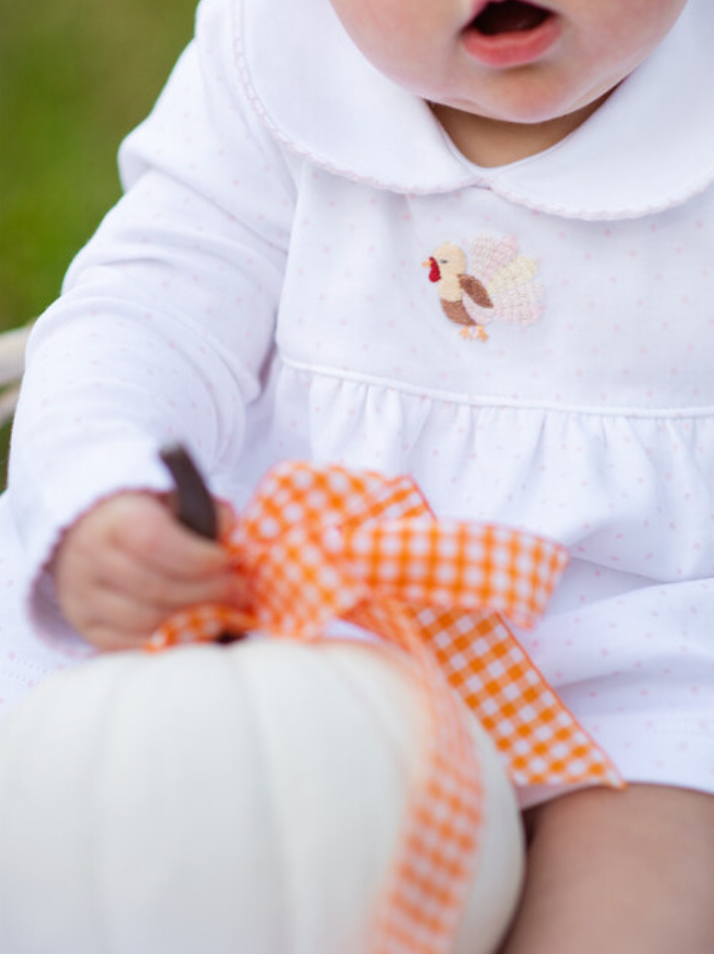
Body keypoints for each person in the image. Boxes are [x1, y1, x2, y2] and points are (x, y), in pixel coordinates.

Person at [2, 0, 713, 949]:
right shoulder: (277, 67)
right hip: (302, 630)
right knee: (149, 853)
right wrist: (100, 485)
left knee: (644, 886)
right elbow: (147, 310)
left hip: (639, 665)